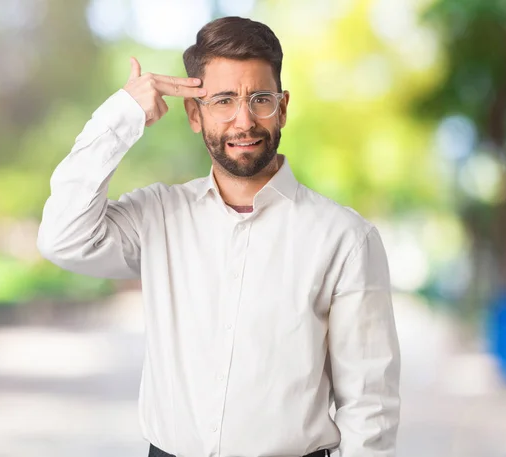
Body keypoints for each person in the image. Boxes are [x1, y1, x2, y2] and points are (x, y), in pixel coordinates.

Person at [37, 15, 401, 457]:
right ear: (195, 113)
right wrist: (123, 115)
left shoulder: (346, 238)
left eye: (260, 99)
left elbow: (369, 407)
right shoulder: (159, 217)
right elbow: (62, 236)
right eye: (223, 100)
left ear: (283, 107)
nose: (243, 121)